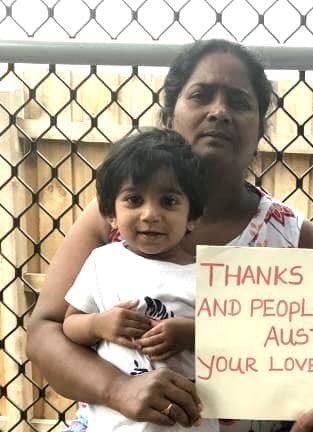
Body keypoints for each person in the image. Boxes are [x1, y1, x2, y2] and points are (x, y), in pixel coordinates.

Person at [27, 39, 313, 432]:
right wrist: (118, 389)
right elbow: (45, 331)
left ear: (262, 127)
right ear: (169, 116)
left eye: (239, 101)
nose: (219, 111)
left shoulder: (289, 234)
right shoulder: (112, 218)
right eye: (201, 95)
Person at [62, 128, 223, 431]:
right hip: (110, 424)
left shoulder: (209, 275)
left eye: (169, 202)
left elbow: (236, 341)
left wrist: (192, 334)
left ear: (193, 217)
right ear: (111, 213)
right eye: (134, 199)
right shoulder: (104, 261)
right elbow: (70, 325)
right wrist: (99, 325)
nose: (150, 214)